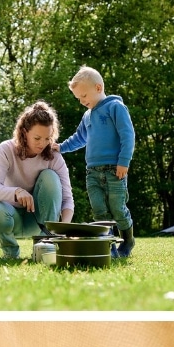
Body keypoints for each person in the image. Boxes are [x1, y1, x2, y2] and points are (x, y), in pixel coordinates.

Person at [55, 66, 136, 258]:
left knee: (118, 208)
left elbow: (128, 135)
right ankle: (109, 248)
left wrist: (123, 162)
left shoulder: (115, 107)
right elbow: (79, 138)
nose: (82, 101)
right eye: (78, 98)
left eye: (83, 96)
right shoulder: (87, 116)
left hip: (115, 170)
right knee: (99, 211)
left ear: (98, 88)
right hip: (92, 172)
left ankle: (127, 241)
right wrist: (60, 147)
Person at [0, 101, 74, 259]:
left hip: (41, 221)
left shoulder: (54, 157)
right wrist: (17, 192)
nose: (43, 144)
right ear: (24, 132)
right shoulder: (6, 149)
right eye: (37, 138)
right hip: (11, 217)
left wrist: (62, 228)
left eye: (47, 138)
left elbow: (67, 198)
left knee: (50, 176)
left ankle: (44, 245)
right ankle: (11, 252)